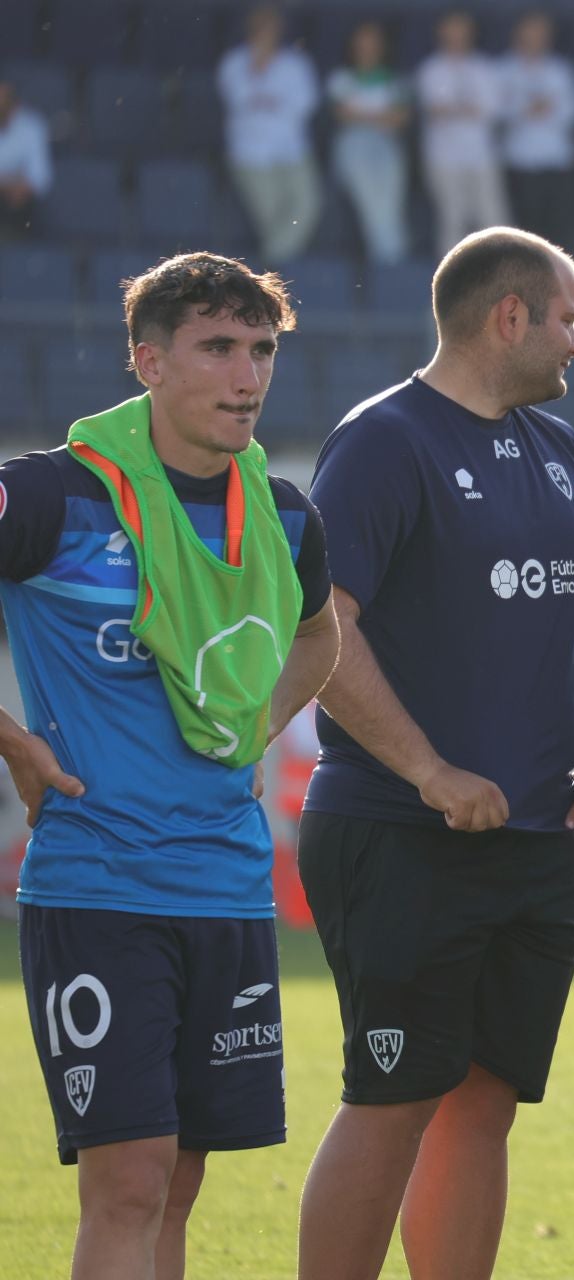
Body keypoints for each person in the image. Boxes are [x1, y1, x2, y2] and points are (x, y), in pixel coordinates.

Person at [294, 227, 574, 1280]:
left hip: (532, 840)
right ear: (510, 316)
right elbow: (324, 629)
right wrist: (428, 769)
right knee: (392, 1095)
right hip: (400, 830)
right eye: (570, 317)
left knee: (483, 1102)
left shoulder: (559, 450)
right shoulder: (384, 440)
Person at [6, 251, 338, 1280]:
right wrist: (11, 735)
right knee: (133, 1175)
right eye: (217, 348)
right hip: (100, 884)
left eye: (263, 349)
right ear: (147, 361)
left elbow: (321, 640)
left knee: (181, 1179)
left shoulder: (283, 514)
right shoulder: (52, 496)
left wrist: (258, 725)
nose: (248, 374)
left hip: (229, 888)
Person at [217, 5, 321, 264]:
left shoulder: (295, 63)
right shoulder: (234, 62)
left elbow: (305, 104)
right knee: (272, 218)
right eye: (259, 26)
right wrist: (258, 67)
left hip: (293, 151)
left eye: (270, 26)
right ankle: (273, 276)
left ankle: (268, 270)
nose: (265, 32)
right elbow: (238, 99)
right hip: (250, 155)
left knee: (307, 206)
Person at [417, 9, 507, 255]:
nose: (457, 35)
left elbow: (491, 110)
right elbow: (435, 109)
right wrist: (465, 109)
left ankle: (498, 279)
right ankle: (450, 284)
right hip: (443, 157)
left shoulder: (485, 68)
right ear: (441, 31)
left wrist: (455, 110)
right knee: (452, 218)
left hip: (481, 155)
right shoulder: (431, 69)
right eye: (452, 28)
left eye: (462, 29)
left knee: (492, 218)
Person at [327, 21, 411, 266]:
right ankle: (390, 261)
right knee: (373, 204)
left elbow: (400, 118)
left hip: (386, 145)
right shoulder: (342, 77)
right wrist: (379, 116)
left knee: (389, 204)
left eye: (373, 43)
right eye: (362, 43)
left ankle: (391, 262)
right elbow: (342, 114)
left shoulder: (393, 78)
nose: (368, 48)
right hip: (353, 145)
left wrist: (363, 115)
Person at [497, 10, 574, 250]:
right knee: (524, 233)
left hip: (557, 158)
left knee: (558, 231)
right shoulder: (504, 69)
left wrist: (544, 109)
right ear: (519, 32)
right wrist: (527, 109)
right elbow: (498, 111)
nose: (536, 37)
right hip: (519, 159)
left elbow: (572, 111)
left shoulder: (560, 69)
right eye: (531, 30)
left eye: (542, 32)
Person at [0, 77, 52, 240]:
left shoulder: (32, 126)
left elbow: (40, 179)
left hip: (21, 207)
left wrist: (14, 187)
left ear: (15, 104)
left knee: (19, 203)